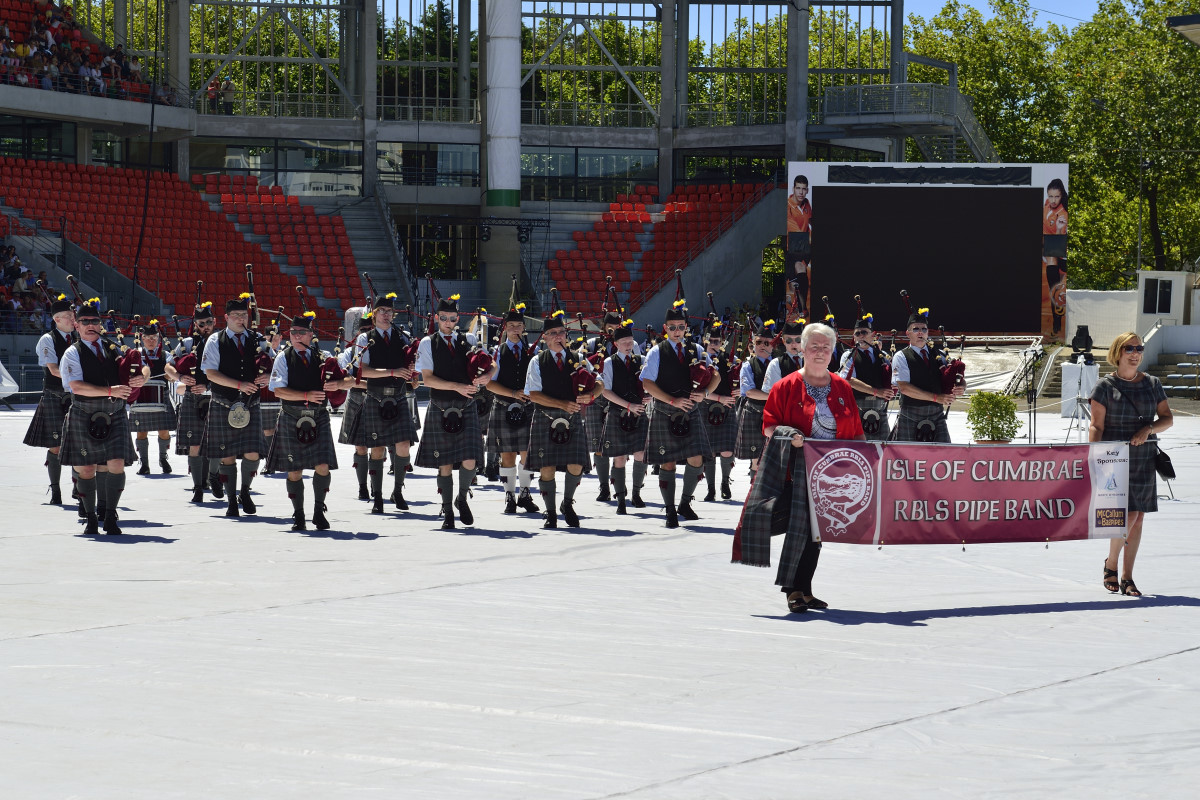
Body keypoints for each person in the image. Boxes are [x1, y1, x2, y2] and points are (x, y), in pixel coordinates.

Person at [738, 322, 865, 613]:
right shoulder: (785, 386)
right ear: (803, 350)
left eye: (826, 347)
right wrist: (790, 435)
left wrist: (865, 459)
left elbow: (857, 432)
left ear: (833, 352)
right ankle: (793, 590)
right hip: (795, 471)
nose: (820, 352)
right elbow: (769, 426)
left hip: (834, 475)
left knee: (817, 534)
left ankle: (805, 590)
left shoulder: (843, 386)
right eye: (815, 346)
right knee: (801, 530)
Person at [1089, 332, 1173, 597]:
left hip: (1144, 456)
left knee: (1138, 518)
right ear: (1118, 352)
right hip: (1113, 457)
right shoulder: (1104, 386)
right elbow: (1096, 426)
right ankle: (1111, 564)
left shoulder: (1152, 383)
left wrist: (1148, 429)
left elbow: (1167, 419)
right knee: (1125, 516)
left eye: (1140, 348)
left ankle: (1127, 576)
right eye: (1130, 348)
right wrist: (1095, 458)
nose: (1136, 353)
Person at [57, 299, 144, 535]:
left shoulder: (113, 348)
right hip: (85, 412)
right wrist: (110, 391)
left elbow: (141, 364)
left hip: (114, 413)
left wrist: (141, 378)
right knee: (86, 469)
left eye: (95, 321)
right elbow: (75, 386)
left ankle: (109, 514)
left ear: (100, 323)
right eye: (85, 322)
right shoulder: (72, 353)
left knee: (115, 464)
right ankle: (91, 516)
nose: (90, 325)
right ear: (77, 325)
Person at [266, 312, 355, 531]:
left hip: (318, 417)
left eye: (301, 332)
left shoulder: (324, 357)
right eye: (293, 332)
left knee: (323, 466)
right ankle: (298, 514)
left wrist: (339, 385)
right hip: (292, 415)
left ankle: (318, 510)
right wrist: (306, 396)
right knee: (294, 470)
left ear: (311, 334)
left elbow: (351, 378)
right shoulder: (283, 357)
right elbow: (278, 391)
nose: (296, 336)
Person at [640, 299, 718, 528]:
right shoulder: (657, 351)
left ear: (686, 328)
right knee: (668, 463)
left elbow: (716, 376)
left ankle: (685, 503)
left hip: (691, 412)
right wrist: (672, 400)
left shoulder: (697, 349)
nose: (677, 331)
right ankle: (670, 510)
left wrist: (704, 393)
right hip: (666, 411)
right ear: (665, 328)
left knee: (697, 461)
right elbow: (646, 383)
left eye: (681, 327)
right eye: (672, 327)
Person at [414, 292, 489, 529]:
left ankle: (462, 498)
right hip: (440, 405)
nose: (448, 322)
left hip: (466, 406)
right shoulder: (428, 343)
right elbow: (427, 379)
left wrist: (488, 375)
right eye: (444, 318)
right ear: (437, 318)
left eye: (453, 318)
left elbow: (490, 362)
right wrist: (457, 386)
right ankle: (447, 510)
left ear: (458, 319)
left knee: (470, 460)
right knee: (445, 463)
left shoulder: (467, 340)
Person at [524, 306, 602, 528]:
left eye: (562, 333)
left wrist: (590, 395)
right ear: (546, 338)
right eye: (553, 334)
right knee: (547, 467)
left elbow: (600, 383)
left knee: (576, 464)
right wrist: (562, 404)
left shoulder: (578, 358)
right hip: (546, 417)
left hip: (573, 418)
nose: (559, 337)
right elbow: (534, 394)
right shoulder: (537, 361)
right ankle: (550, 512)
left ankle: (567, 504)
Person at [200, 294, 271, 517]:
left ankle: (245, 492)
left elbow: (274, 366)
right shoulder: (215, 340)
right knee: (226, 454)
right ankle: (231, 499)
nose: (241, 319)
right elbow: (211, 373)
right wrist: (239, 384)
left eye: (244, 315)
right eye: (236, 315)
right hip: (223, 402)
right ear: (226, 317)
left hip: (250, 403)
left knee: (253, 454)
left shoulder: (258, 340)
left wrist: (267, 376)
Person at [354, 293, 420, 514]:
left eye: (389, 311)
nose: (385, 315)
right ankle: (378, 496)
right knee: (377, 449)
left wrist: (412, 377)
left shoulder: (403, 337)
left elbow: (411, 366)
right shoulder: (365, 339)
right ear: (374, 315)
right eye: (381, 311)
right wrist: (392, 371)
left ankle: (398, 491)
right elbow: (362, 370)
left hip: (399, 396)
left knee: (403, 447)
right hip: (375, 396)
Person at [485, 303, 542, 515]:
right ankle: (509, 496)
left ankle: (525, 494)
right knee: (507, 455)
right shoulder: (497, 352)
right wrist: (514, 394)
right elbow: (489, 384)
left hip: (528, 409)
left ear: (524, 328)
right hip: (503, 407)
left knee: (528, 455)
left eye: (519, 325)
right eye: (512, 326)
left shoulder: (534, 352)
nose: (516, 329)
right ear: (505, 328)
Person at [23, 292, 75, 504]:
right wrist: (82, 380)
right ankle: (56, 491)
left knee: (79, 442)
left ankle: (79, 487)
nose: (74, 320)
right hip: (55, 395)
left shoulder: (79, 339)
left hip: (76, 396)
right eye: (69, 317)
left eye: (74, 316)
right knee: (56, 444)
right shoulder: (48, 339)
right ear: (56, 319)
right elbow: (53, 370)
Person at [890, 305, 964, 443]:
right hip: (910, 413)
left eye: (924, 329)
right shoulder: (901, 356)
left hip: (937, 414)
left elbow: (954, 376)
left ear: (927, 333)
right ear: (908, 333)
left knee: (943, 456)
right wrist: (936, 398)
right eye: (916, 329)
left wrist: (961, 386)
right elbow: (904, 388)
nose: (920, 333)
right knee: (906, 459)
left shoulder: (940, 355)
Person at [173, 301, 222, 503]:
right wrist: (180, 377)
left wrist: (209, 387)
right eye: (201, 324)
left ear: (215, 321)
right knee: (195, 444)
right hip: (193, 398)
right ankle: (198, 487)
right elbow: (169, 367)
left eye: (209, 322)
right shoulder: (186, 344)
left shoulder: (222, 342)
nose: (205, 327)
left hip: (218, 397)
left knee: (217, 444)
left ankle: (213, 476)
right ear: (195, 324)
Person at [599, 320, 649, 514]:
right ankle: (620, 498)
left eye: (631, 341)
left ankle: (636, 494)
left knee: (641, 455)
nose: (629, 345)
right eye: (625, 342)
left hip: (639, 414)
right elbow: (606, 392)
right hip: (618, 412)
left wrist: (649, 398)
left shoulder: (642, 361)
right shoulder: (609, 362)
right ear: (616, 344)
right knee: (619, 458)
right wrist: (629, 405)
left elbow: (651, 385)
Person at [838, 310, 896, 441]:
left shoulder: (882, 355)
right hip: (856, 406)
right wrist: (876, 392)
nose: (860, 336)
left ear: (873, 335)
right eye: (857, 334)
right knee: (857, 449)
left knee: (882, 449)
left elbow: (893, 376)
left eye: (864, 332)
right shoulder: (848, 355)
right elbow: (849, 380)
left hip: (880, 407)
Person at [130, 319, 176, 475]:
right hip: (140, 396)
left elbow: (169, 371)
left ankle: (163, 459)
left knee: (164, 431)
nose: (151, 341)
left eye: (154, 338)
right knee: (141, 431)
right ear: (142, 338)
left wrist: (172, 376)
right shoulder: (135, 354)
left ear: (158, 339)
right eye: (148, 338)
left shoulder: (166, 355)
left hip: (161, 395)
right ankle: (144, 464)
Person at [337, 311, 373, 500]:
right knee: (360, 447)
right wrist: (373, 384)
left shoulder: (382, 352)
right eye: (362, 330)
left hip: (379, 401)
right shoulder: (348, 353)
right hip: (358, 400)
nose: (365, 333)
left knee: (378, 446)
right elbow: (346, 380)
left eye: (369, 329)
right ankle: (362, 486)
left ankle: (377, 487)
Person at [700, 323, 738, 501]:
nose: (714, 344)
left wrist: (740, 390)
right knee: (708, 451)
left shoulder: (730, 359)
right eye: (711, 340)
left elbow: (741, 379)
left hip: (727, 406)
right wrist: (718, 399)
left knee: (727, 451)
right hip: (706, 405)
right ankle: (710, 489)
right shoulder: (699, 359)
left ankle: (724, 483)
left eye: (717, 341)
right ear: (704, 340)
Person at [733, 321, 774, 470]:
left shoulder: (777, 364)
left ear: (773, 345)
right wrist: (775, 396)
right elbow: (749, 391)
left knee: (773, 456)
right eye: (759, 342)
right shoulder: (748, 365)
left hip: (775, 413)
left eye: (767, 343)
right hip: (754, 412)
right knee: (757, 458)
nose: (762, 345)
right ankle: (754, 492)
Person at [762, 317, 806, 393]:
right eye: (789, 340)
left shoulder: (811, 360)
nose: (793, 343)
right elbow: (772, 391)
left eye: (798, 340)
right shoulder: (776, 364)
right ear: (783, 341)